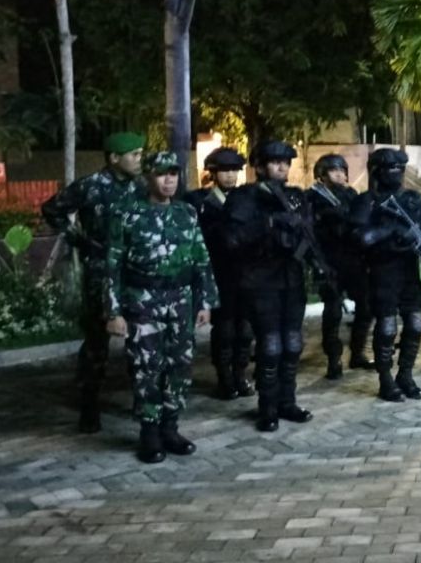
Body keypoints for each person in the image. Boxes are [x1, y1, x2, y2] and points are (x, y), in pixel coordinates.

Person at [105, 152, 217, 464]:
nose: (169, 181)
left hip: (181, 300)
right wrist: (113, 311)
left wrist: (205, 300)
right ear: (148, 177)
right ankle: (149, 432)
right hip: (143, 300)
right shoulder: (127, 214)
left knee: (180, 365)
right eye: (161, 174)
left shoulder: (186, 213)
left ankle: (171, 427)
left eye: (174, 174)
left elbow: (201, 259)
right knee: (146, 367)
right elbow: (113, 265)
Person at [41, 131, 145, 433]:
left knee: (140, 337)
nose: (139, 160)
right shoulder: (90, 186)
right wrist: (77, 239)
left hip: (134, 273)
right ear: (114, 158)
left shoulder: (140, 188)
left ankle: (142, 400)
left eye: (140, 154)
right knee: (97, 341)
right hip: (99, 273)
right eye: (133, 154)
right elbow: (52, 209)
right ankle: (89, 405)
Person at [223, 140, 315, 431]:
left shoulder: (296, 196)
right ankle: (267, 407)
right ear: (260, 166)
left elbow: (310, 235)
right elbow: (232, 240)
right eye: (275, 162)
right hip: (260, 280)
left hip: (291, 279)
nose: (281, 167)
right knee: (271, 346)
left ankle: (287, 402)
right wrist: (271, 223)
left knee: (293, 344)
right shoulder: (244, 197)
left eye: (286, 162)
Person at [348, 148, 421, 402]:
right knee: (386, 328)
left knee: (416, 324)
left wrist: (416, 235)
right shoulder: (366, 201)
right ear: (377, 171)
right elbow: (360, 238)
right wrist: (389, 230)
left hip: (408, 268)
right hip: (381, 271)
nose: (397, 173)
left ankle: (405, 374)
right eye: (391, 169)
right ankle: (385, 380)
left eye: (400, 169)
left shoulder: (412, 199)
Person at [185, 147, 254, 400]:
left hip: (245, 273)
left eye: (235, 170)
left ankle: (240, 375)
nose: (231, 176)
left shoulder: (246, 197)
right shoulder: (199, 201)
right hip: (217, 272)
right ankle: (225, 378)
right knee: (224, 330)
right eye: (225, 170)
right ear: (213, 173)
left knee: (245, 329)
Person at [307, 153, 365, 380]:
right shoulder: (313, 197)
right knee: (332, 311)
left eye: (342, 169)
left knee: (366, 306)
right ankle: (334, 359)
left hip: (353, 259)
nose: (340, 174)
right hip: (328, 260)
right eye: (333, 170)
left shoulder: (351, 195)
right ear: (322, 175)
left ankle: (357, 353)